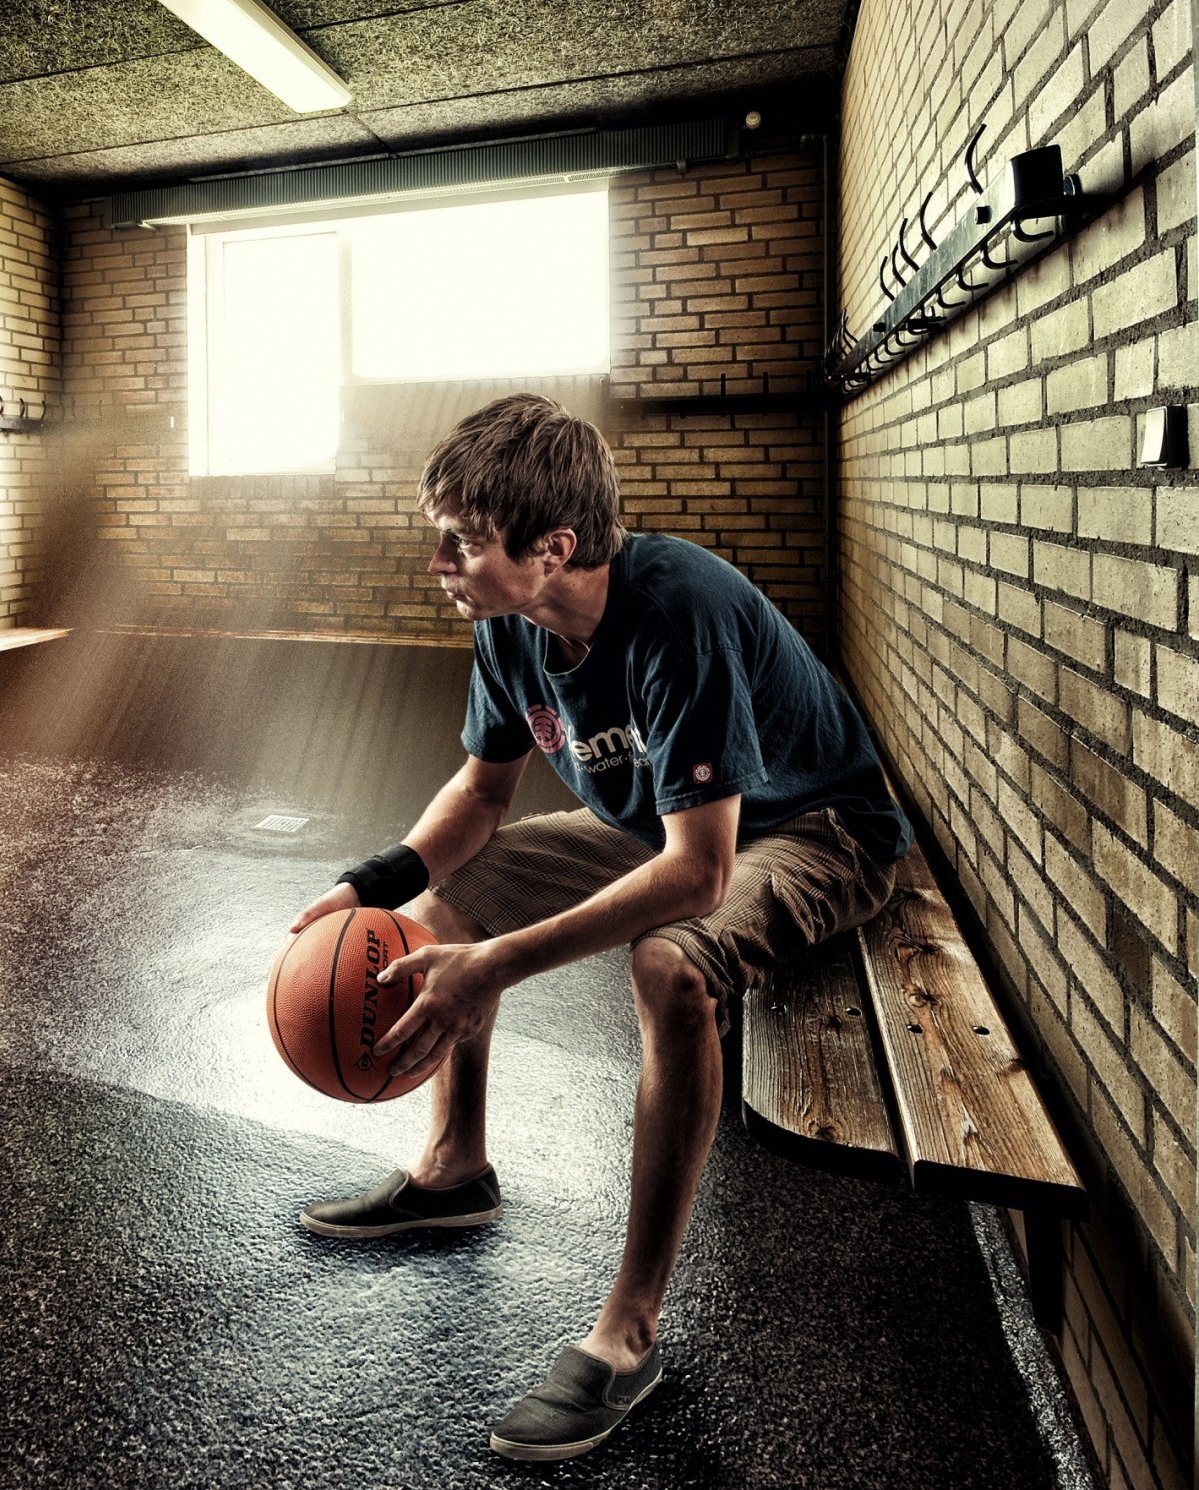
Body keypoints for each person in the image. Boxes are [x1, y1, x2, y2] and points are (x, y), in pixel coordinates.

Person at [289, 394, 910, 1463]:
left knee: (669, 966)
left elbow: (701, 873)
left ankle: (629, 1330)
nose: (440, 562)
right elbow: (482, 793)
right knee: (444, 907)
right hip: (657, 821)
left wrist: (497, 965)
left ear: (554, 547)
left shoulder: (681, 611)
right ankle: (453, 1169)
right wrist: (374, 883)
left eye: (463, 541)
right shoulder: (512, 624)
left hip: (813, 827)